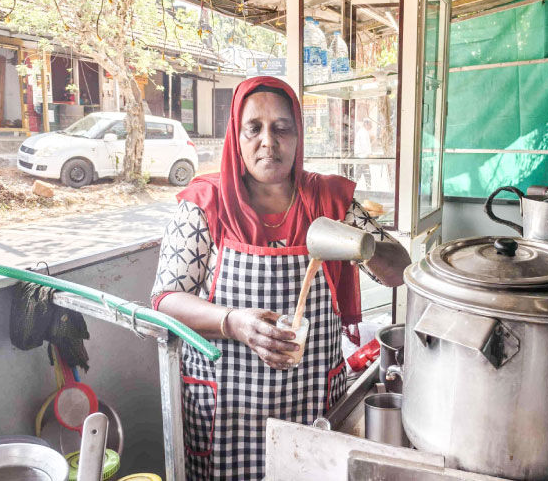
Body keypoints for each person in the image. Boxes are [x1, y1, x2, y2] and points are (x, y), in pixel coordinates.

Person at [150, 76, 410, 480]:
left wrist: (361, 242)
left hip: (311, 407)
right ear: (236, 136)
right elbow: (165, 300)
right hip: (227, 416)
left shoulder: (329, 201)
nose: (268, 142)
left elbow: (399, 270)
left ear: (298, 134)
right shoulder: (206, 203)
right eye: (253, 128)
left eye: (282, 128)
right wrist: (234, 322)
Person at [354, 118, 373, 190]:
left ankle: (353, 189)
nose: (371, 126)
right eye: (370, 125)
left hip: (362, 157)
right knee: (366, 176)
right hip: (362, 157)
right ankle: (368, 189)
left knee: (358, 176)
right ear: (366, 124)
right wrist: (369, 154)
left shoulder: (363, 132)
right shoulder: (363, 133)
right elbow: (364, 146)